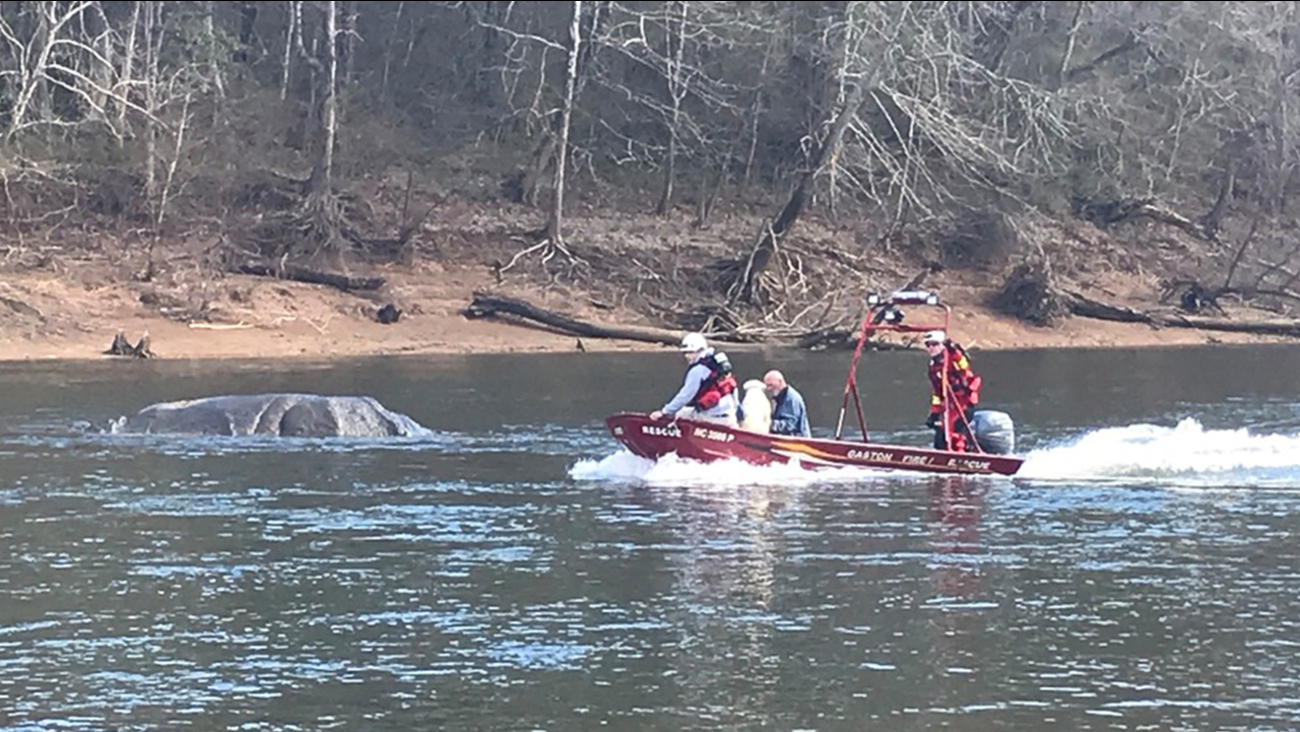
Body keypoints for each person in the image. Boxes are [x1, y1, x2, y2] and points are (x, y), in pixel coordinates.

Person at [650, 332, 739, 427]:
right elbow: (733, 391)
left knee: (680, 413)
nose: (686, 356)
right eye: (685, 353)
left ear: (699, 350)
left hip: (712, 417)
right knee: (685, 411)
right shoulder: (718, 366)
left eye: (690, 352)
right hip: (729, 416)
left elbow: (685, 395)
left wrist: (664, 412)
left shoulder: (697, 370)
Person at [923, 329, 982, 452]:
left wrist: (954, 351)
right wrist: (934, 413)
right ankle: (941, 455)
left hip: (964, 402)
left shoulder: (953, 357)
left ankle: (960, 454)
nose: (931, 348)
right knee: (941, 433)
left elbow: (964, 366)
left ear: (942, 345)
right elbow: (937, 393)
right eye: (928, 345)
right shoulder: (933, 367)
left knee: (954, 429)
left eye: (935, 344)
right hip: (950, 405)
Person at [763, 369, 811, 437]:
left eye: (770, 385)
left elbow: (790, 424)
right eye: (767, 386)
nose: (768, 389)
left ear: (780, 382)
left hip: (797, 441)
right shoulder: (778, 397)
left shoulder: (791, 398)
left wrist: (769, 424)